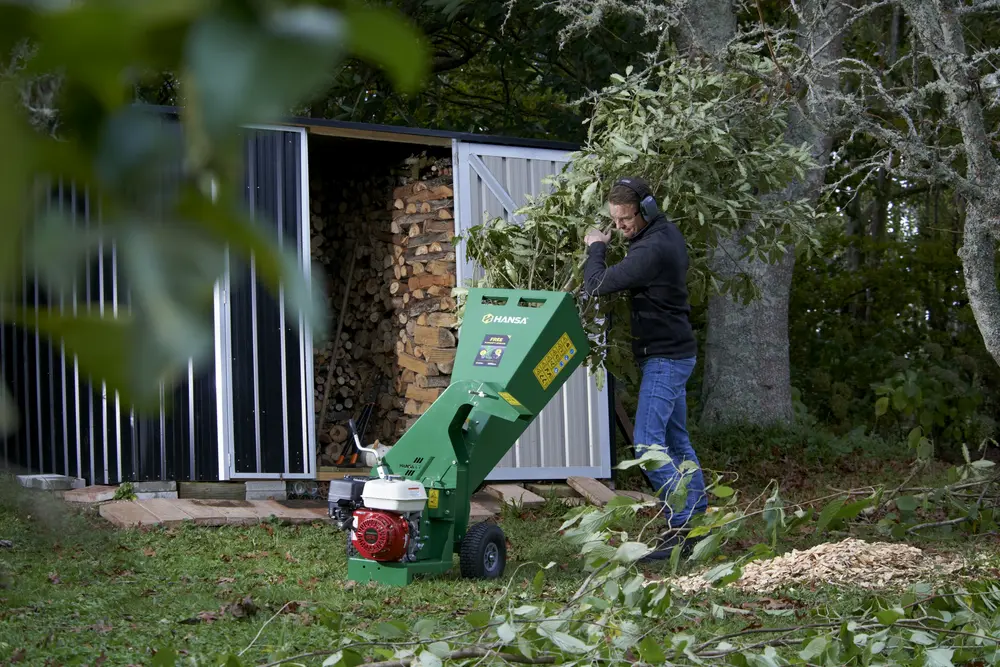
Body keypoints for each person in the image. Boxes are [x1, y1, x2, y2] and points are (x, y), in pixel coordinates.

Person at [582, 177, 707, 551]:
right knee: (676, 441)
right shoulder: (663, 234)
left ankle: (681, 528)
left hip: (665, 358)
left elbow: (597, 284)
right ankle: (697, 520)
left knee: (647, 445)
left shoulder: (651, 250)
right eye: (614, 220)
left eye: (625, 219)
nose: (620, 227)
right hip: (676, 352)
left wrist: (595, 248)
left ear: (647, 210)